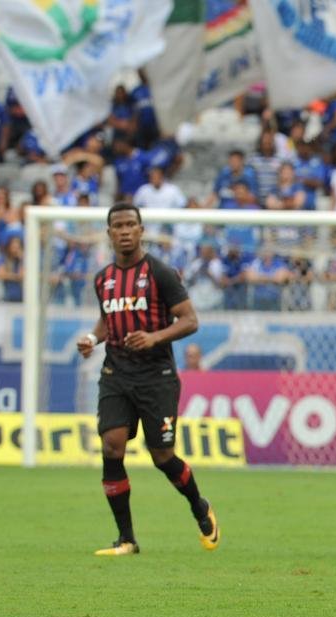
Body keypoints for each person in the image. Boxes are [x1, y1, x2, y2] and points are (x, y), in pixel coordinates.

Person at [76, 203, 219, 556]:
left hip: (157, 377)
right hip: (116, 374)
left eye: (131, 225)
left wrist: (154, 337)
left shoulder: (160, 273)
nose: (125, 231)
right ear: (109, 233)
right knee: (112, 446)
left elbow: (190, 320)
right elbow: (109, 320)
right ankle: (126, 539)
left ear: (141, 230)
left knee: (162, 456)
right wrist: (92, 339)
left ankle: (199, 506)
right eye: (118, 226)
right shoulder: (103, 279)